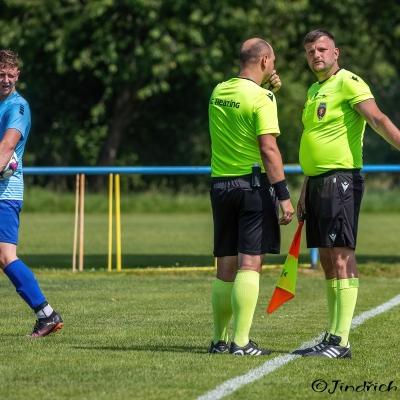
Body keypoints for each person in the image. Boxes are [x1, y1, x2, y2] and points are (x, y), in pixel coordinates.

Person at [294, 29, 400, 358]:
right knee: (327, 259)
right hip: (317, 182)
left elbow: (378, 119)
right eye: (310, 51)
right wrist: (305, 187)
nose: (316, 55)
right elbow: (316, 140)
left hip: (340, 180)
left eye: (322, 49)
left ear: (336, 52)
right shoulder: (314, 89)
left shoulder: (349, 82)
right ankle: (332, 335)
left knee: (341, 256)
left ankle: (340, 342)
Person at [208, 38, 294, 356]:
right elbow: (268, 148)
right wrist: (283, 195)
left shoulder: (219, 91)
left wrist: (267, 89)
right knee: (250, 263)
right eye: (273, 61)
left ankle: (219, 340)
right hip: (252, 188)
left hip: (220, 186)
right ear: (264, 61)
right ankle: (241, 342)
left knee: (225, 265)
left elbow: (241, 113)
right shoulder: (262, 98)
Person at [0, 49, 64, 337]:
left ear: (18, 75)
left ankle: (46, 313)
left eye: (10, 75)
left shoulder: (18, 107)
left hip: (5, 193)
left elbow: (7, 147)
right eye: (1, 74)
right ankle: (46, 314)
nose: (6, 79)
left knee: (6, 256)